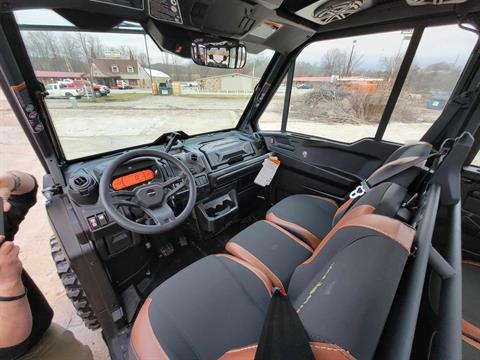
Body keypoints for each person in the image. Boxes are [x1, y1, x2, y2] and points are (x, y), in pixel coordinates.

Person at [0, 170, 93, 360]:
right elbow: (9, 344)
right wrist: (7, 282)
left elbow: (26, 192)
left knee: (78, 354)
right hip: (17, 349)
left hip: (39, 334)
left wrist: (8, 181)